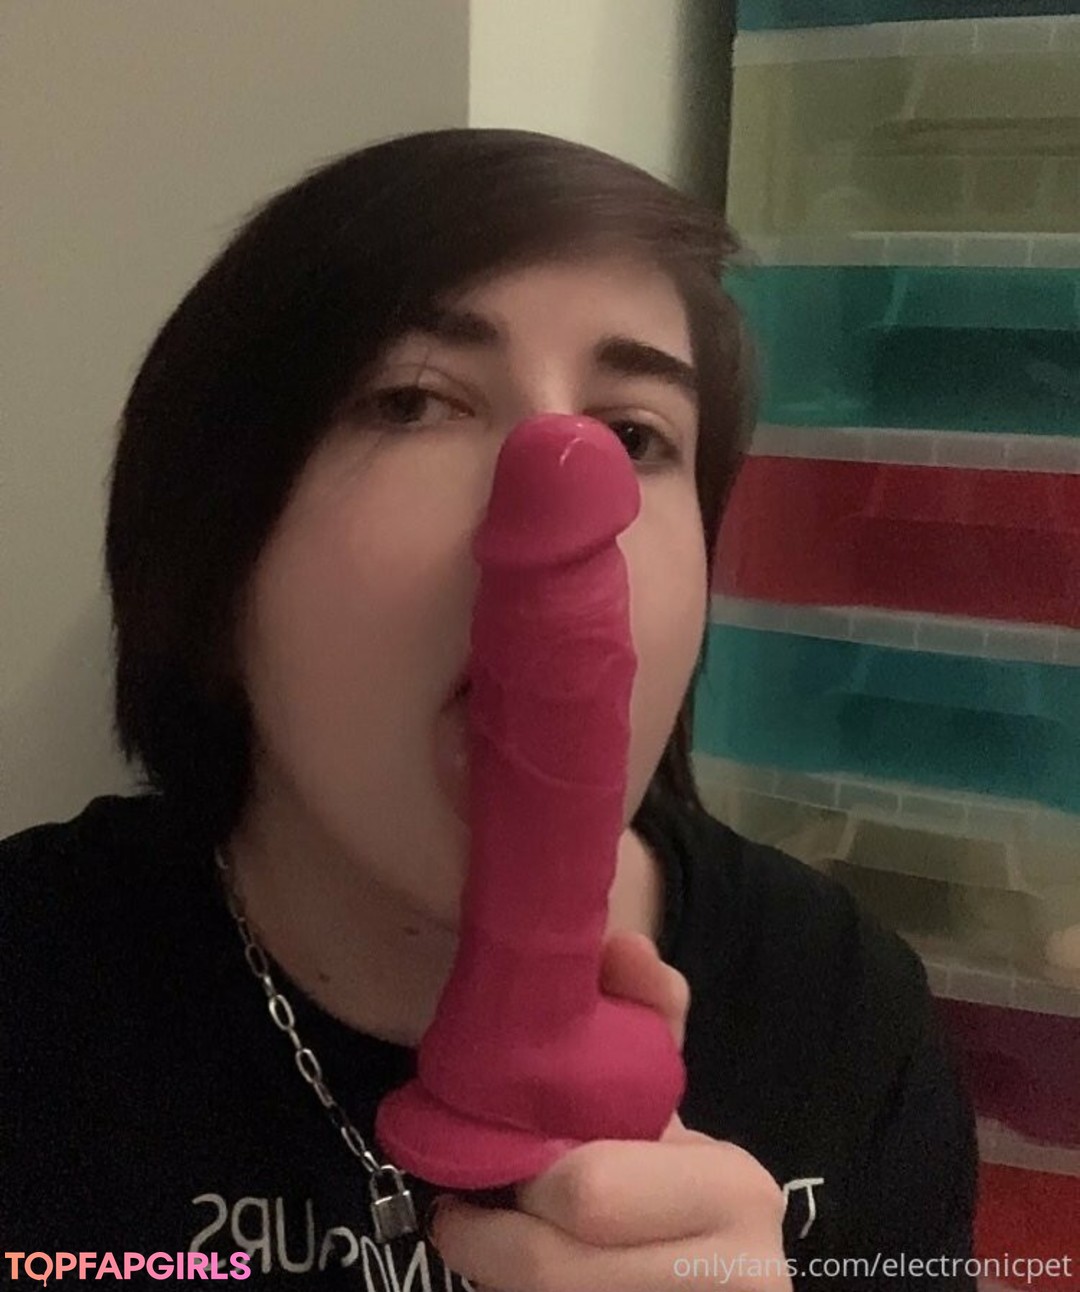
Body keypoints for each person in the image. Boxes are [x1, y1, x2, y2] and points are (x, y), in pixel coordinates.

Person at [1, 129, 977, 1291]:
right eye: (414, 401)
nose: (565, 491)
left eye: (634, 434)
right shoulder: (33, 998)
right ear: (215, 560)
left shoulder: (843, 1011)